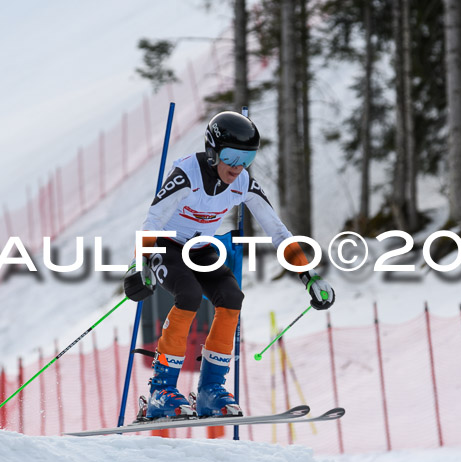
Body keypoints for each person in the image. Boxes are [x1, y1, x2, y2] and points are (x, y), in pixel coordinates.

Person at [123, 111, 335, 420]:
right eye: (231, 156)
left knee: (233, 297)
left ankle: (210, 390)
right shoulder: (187, 174)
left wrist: (309, 274)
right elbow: (153, 219)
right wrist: (140, 262)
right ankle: (161, 391)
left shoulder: (243, 182)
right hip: (166, 245)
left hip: (200, 250)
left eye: (247, 158)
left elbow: (278, 232)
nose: (238, 166)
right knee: (189, 295)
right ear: (212, 151)